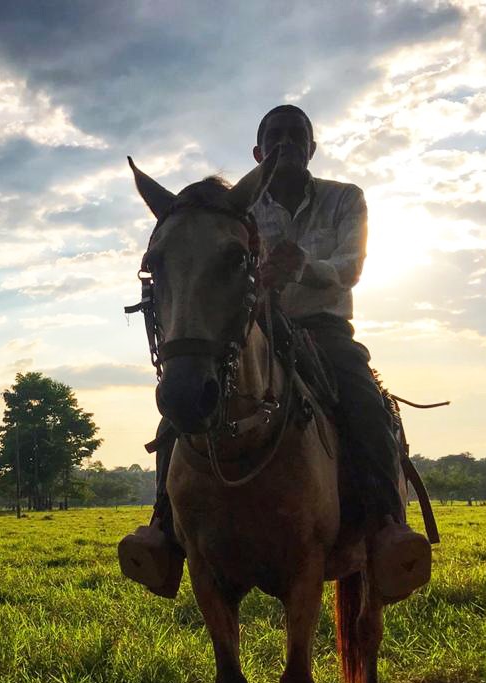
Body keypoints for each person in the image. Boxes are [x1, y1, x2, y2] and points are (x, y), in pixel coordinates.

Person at [118, 104, 431, 602]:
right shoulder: (240, 211)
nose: (286, 143)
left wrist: (302, 265)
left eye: (296, 135)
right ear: (259, 153)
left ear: (311, 148)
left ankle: (386, 527)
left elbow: (352, 265)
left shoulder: (344, 198)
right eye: (275, 136)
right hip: (255, 328)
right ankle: (164, 529)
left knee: (364, 400)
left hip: (324, 328)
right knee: (179, 411)